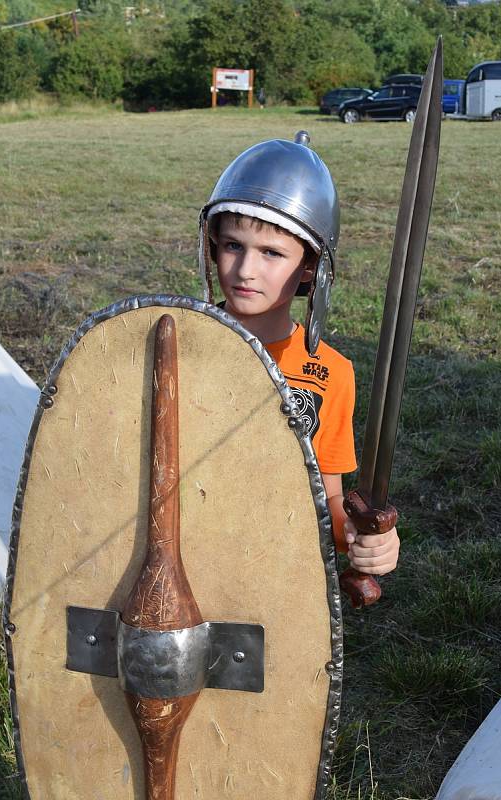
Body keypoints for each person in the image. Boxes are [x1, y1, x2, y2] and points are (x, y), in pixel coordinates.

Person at [198, 131, 399, 577]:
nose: (245, 270)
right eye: (233, 245)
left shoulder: (331, 373)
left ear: (311, 266)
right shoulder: (181, 345)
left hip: (273, 572)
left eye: (272, 253)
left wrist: (362, 537)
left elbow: (326, 501)